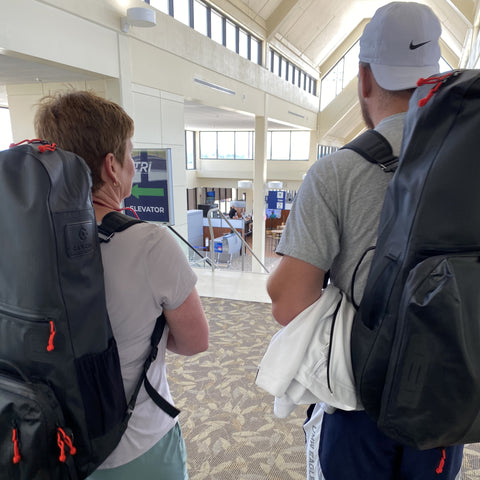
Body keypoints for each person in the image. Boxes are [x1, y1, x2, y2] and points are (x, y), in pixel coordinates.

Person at [267, 3, 464, 479]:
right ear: (432, 79)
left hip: (359, 401)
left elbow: (287, 303)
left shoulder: (335, 173)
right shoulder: (469, 162)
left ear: (364, 80)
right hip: (446, 397)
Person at [34, 90, 209, 480]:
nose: (134, 164)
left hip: (47, 445)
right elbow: (195, 341)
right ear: (112, 167)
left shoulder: (22, 238)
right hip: (135, 448)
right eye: (130, 155)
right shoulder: (149, 243)